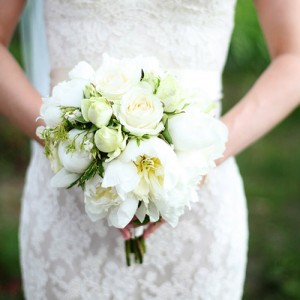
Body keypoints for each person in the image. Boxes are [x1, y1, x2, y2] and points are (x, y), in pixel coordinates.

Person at [0, 0, 299, 299]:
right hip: (68, 201)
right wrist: (71, 144)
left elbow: (293, 57)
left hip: (199, 204)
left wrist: (200, 159)